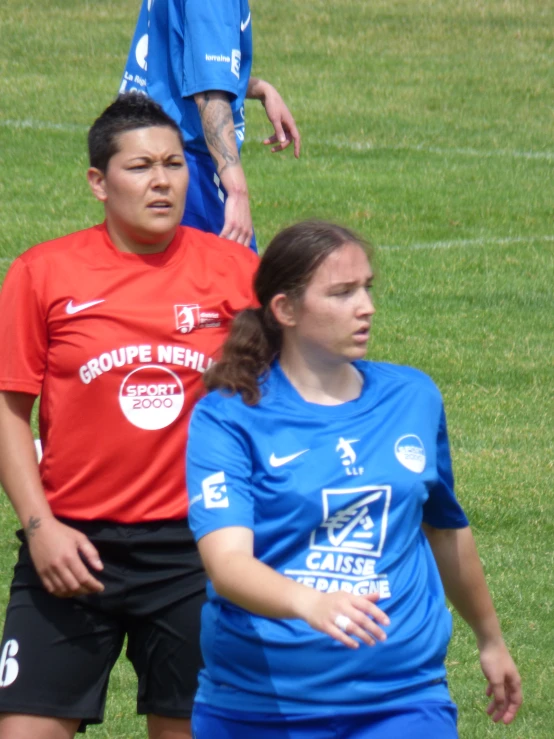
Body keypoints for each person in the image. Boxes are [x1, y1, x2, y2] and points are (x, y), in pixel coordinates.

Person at [185, 221, 523, 738]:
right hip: (260, 703)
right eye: (343, 293)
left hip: (402, 698)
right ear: (285, 310)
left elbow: (446, 527)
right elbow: (228, 564)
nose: (366, 306)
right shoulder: (229, 418)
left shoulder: (413, 396)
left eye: (367, 287)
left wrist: (490, 638)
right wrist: (311, 603)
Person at [0, 92, 258, 739]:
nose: (163, 180)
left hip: (196, 550)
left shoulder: (233, 270)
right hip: (69, 548)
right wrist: (40, 527)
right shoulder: (43, 273)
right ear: (98, 181)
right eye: (140, 166)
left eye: (174, 163)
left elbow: (279, 402)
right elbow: (7, 409)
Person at [120, 0, 301, 251]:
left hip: (141, 157)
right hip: (186, 168)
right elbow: (209, 92)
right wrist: (237, 192)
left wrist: (259, 88)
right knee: (233, 281)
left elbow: (182, 61)